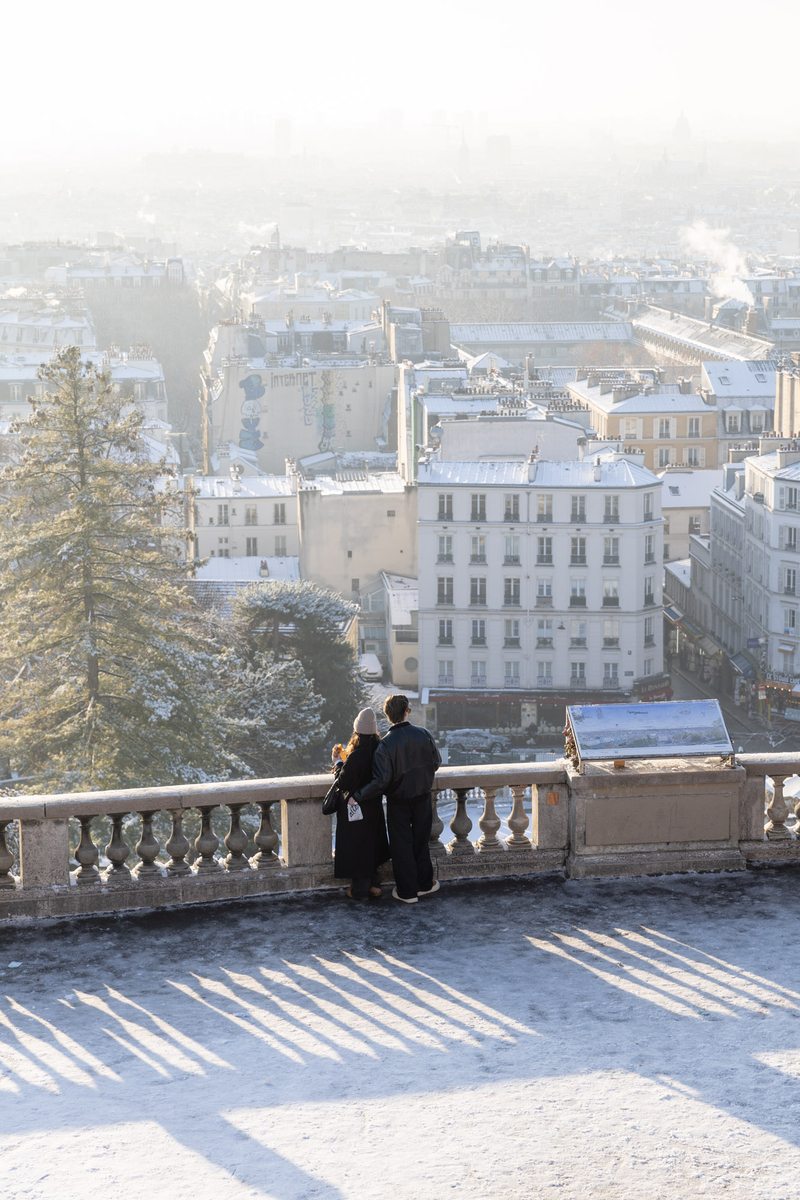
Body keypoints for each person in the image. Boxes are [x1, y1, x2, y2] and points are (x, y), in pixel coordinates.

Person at [352, 694, 442, 904]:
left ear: (388, 716)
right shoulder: (424, 734)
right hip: (422, 798)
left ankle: (407, 892)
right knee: (421, 842)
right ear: (406, 711)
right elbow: (435, 762)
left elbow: (381, 781)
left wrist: (358, 795)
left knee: (401, 846)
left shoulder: (385, 745)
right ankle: (425, 884)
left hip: (398, 802)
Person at [330, 708, 390, 900]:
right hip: (374, 804)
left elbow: (343, 782)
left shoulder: (356, 756)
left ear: (357, 732)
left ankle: (360, 890)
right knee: (373, 842)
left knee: (358, 846)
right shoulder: (380, 749)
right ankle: (375, 884)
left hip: (355, 807)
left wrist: (338, 763)